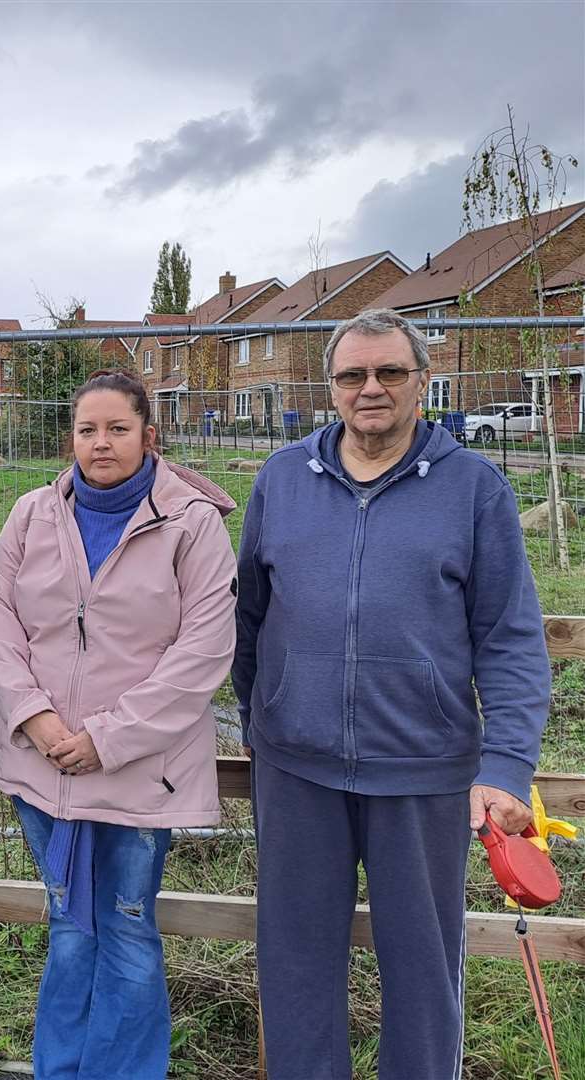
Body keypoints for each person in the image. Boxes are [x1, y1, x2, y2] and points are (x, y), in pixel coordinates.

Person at [233, 308, 551, 1080]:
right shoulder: (281, 479)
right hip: (297, 770)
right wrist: (261, 720)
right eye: (352, 375)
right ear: (330, 387)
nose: (369, 388)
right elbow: (250, 618)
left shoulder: (475, 489)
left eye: (389, 373)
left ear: (420, 383)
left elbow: (510, 636)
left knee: (424, 972)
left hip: (425, 773)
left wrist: (506, 767)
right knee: (296, 966)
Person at [0, 369, 238, 1080]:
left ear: (149, 436)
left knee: (126, 930)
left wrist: (107, 738)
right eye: (88, 430)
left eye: (118, 429)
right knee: (68, 932)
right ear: (71, 437)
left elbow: (204, 651)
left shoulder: (193, 526)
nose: (102, 443)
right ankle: (59, 1070)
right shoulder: (32, 516)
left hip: (135, 774)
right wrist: (34, 718)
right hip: (44, 764)